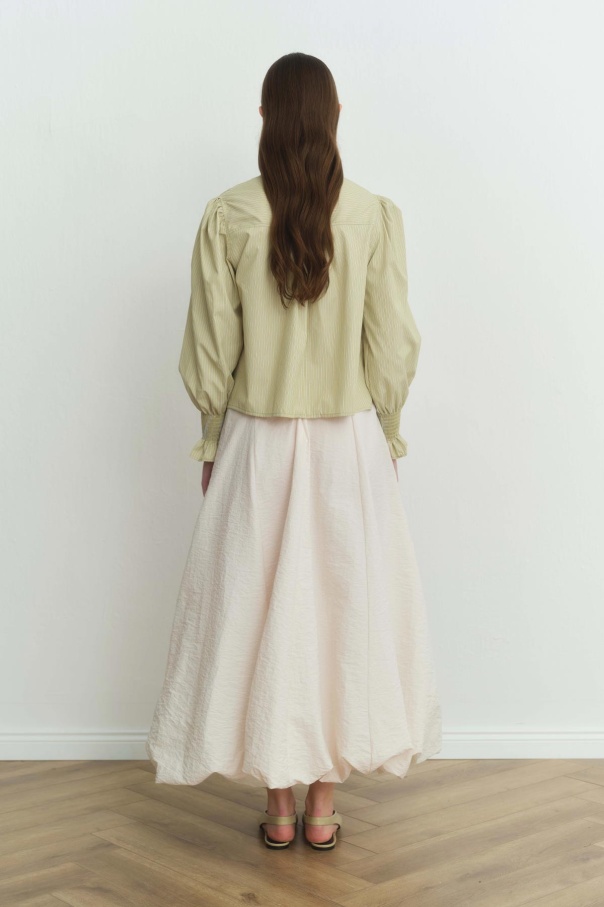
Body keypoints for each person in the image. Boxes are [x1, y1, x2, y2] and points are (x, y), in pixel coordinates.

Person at [146, 51, 442, 852]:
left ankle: (278, 807)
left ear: (265, 117)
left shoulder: (228, 215)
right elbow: (393, 344)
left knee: (256, 611)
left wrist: (212, 434)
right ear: (336, 116)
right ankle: (321, 807)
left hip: (258, 442)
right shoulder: (373, 215)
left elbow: (210, 346)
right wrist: (389, 429)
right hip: (349, 442)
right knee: (343, 610)